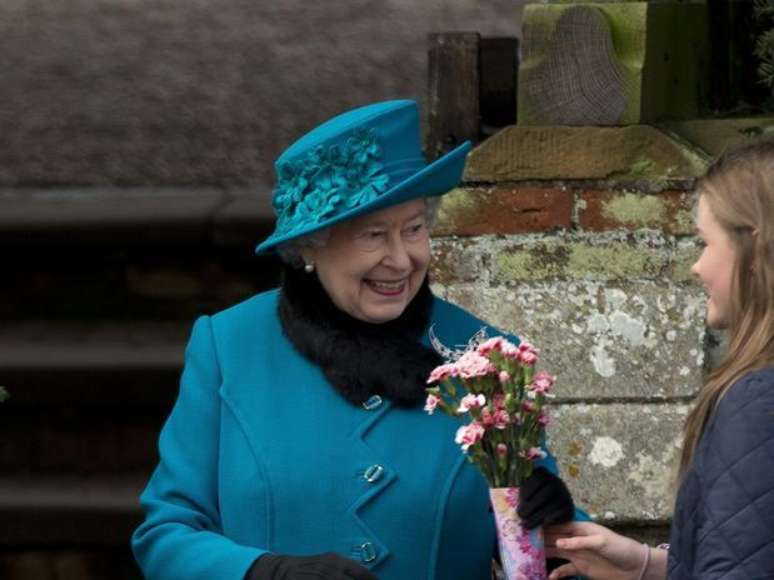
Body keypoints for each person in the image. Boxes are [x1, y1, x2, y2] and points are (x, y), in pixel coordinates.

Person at [131, 100, 584, 580]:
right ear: (311, 245)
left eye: (414, 229)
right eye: (373, 235)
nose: (401, 260)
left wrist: (552, 531)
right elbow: (166, 534)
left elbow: (550, 559)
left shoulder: (488, 358)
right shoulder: (229, 346)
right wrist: (265, 572)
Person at [544, 141, 774, 580]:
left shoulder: (758, 399)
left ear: (754, 248)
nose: (697, 267)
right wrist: (648, 565)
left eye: (705, 243)